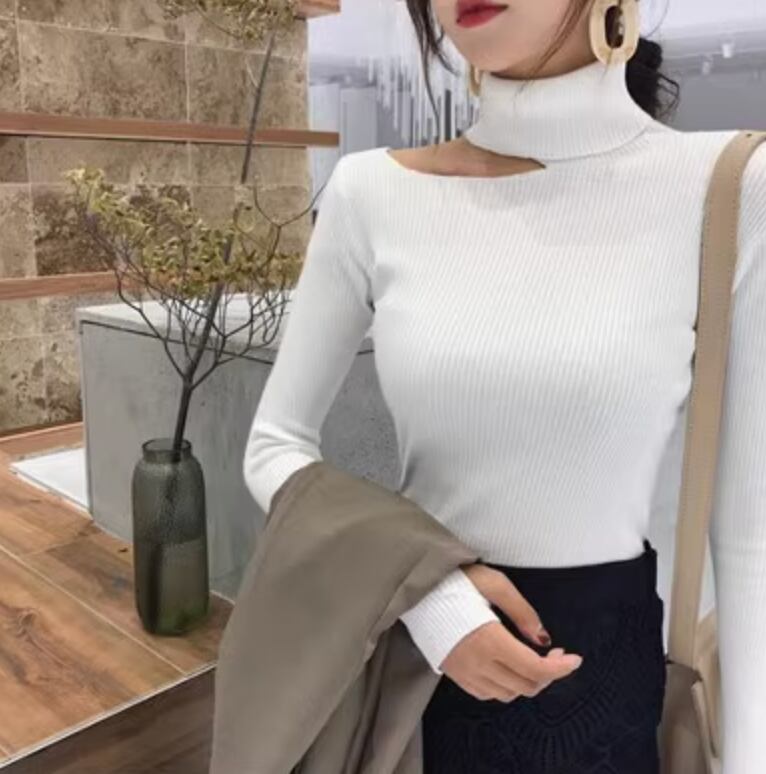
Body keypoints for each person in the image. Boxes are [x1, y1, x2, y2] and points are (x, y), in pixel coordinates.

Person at [242, 1, 766, 771]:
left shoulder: (729, 186)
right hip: (423, 682)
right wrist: (435, 600)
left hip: (608, 693)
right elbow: (274, 445)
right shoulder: (369, 194)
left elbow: (750, 533)